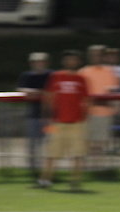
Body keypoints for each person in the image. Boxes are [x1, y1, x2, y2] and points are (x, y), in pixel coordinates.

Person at [37, 50, 89, 191]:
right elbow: (48, 96)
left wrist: (84, 118)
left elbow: (86, 99)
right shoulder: (56, 76)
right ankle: (45, 179)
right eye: (68, 59)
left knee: (78, 153)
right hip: (56, 122)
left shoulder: (81, 79)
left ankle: (75, 180)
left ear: (78, 62)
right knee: (51, 152)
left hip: (77, 123)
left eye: (74, 59)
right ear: (64, 61)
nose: (71, 62)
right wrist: (46, 116)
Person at [78, 45, 120, 167]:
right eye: (93, 55)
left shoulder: (110, 71)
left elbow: (113, 91)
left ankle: (100, 167)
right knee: (88, 142)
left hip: (104, 112)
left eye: (98, 55)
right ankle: (90, 167)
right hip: (87, 113)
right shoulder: (83, 72)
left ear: (103, 56)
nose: (95, 57)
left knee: (101, 142)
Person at [17, 52, 52, 177]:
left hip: (49, 117)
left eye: (41, 61)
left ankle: (48, 168)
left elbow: (53, 90)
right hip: (33, 115)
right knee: (32, 142)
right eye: (36, 62)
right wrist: (38, 92)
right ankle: (33, 168)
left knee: (49, 141)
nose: (39, 64)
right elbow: (21, 89)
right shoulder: (26, 76)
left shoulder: (51, 75)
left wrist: (40, 93)